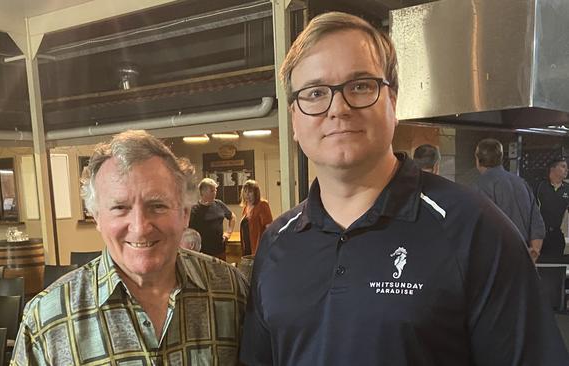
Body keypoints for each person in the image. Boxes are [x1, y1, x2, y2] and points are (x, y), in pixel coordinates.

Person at [240, 12, 568, 365]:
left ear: (393, 101)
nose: (338, 108)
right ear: (294, 119)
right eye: (315, 92)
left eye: (361, 86)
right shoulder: (277, 242)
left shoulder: (474, 230)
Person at [11, 130, 248, 365]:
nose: (140, 227)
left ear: (185, 213)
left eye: (157, 205)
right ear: (97, 217)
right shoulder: (47, 318)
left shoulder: (230, 290)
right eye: (120, 208)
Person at [473, 138, 545, 262]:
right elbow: (537, 224)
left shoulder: (481, 185)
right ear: (501, 158)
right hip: (524, 256)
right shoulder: (521, 183)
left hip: (498, 259)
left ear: (477, 159)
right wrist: (534, 252)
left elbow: (481, 226)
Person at [189, 178, 236, 260]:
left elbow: (232, 217)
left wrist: (228, 233)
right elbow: (188, 230)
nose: (215, 193)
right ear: (203, 192)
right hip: (203, 253)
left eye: (215, 190)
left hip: (220, 250)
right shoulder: (195, 210)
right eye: (212, 191)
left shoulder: (219, 204)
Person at [536, 158, 569, 259]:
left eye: (567, 168)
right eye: (563, 166)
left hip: (556, 234)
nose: (566, 170)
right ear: (553, 169)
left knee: (556, 268)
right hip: (539, 234)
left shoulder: (567, 188)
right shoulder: (540, 186)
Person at [239, 180, 273, 256]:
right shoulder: (246, 207)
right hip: (247, 247)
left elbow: (269, 228)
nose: (247, 195)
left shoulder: (262, 205)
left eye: (250, 192)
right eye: (245, 192)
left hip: (258, 247)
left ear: (255, 193)